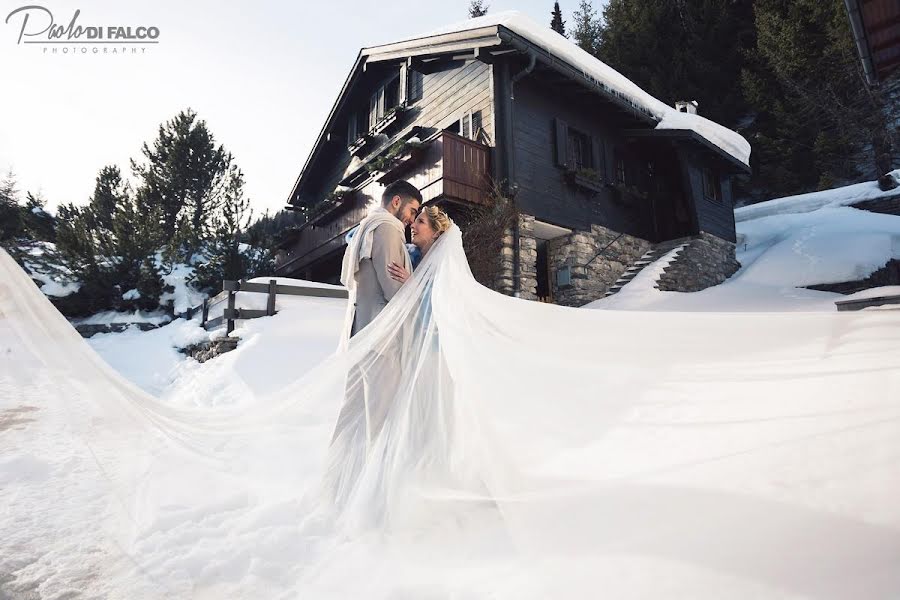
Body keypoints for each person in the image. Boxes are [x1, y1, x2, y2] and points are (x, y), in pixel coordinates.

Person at [339, 180, 421, 341]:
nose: (412, 219)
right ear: (396, 201)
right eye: (412, 211)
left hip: (367, 326)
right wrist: (419, 313)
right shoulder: (387, 228)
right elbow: (392, 285)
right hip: (382, 333)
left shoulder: (368, 226)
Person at [387, 205, 452, 285]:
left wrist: (411, 283)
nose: (412, 225)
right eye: (415, 221)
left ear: (436, 233)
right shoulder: (407, 253)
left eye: (421, 221)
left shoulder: (444, 267)